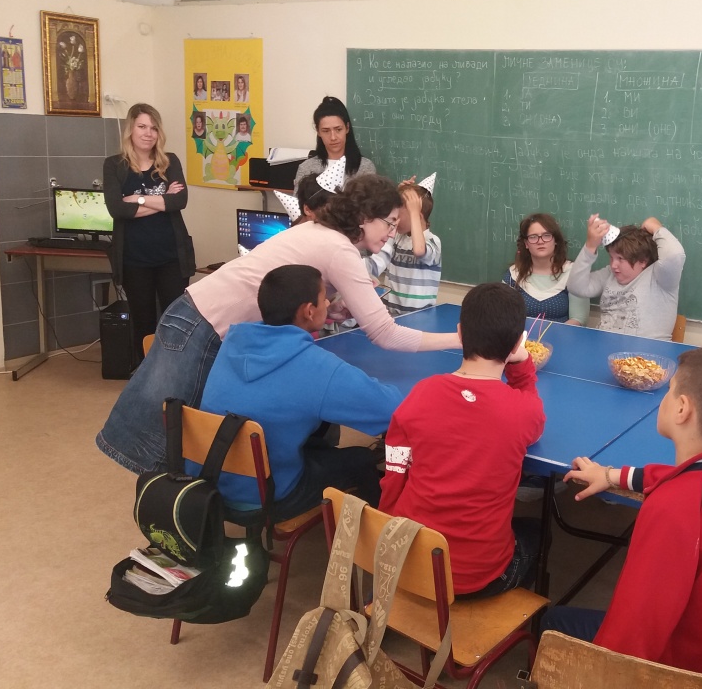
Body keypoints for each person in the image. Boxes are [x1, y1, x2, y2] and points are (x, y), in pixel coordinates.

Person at [96, 174, 461, 476]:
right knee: (168, 435)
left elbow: (295, 297)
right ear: (366, 216)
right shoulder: (340, 249)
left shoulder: (320, 230)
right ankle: (171, 512)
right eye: (390, 223)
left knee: (181, 428)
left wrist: (331, 311)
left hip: (195, 311)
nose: (392, 232)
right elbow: (384, 333)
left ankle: (184, 502)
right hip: (204, 323)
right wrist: (460, 339)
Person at [541, 346, 702, 689]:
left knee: (551, 621)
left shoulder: (671, 510)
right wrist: (612, 475)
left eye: (669, 390)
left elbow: (632, 632)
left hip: (685, 676)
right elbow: (682, 477)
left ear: (682, 409)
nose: (664, 398)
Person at [379, 283, 545, 596]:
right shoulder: (525, 411)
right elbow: (533, 414)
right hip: (479, 579)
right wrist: (522, 365)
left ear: (459, 333)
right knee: (538, 531)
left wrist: (388, 530)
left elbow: (395, 472)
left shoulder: (420, 394)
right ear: (516, 345)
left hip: (408, 560)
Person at [197, 265, 401, 518]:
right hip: (268, 494)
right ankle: (377, 533)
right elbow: (392, 410)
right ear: (308, 310)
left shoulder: (233, 342)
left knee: (314, 431)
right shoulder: (316, 367)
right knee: (362, 459)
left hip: (211, 481)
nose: (328, 303)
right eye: (324, 298)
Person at [102, 103, 195, 364]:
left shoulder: (170, 162)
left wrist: (138, 199)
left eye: (153, 128)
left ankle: (174, 370)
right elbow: (117, 209)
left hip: (171, 257)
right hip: (134, 260)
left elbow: (180, 201)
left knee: (175, 319)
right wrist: (162, 200)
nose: (148, 133)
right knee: (143, 321)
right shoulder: (114, 165)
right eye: (142, 127)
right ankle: (146, 372)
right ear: (130, 130)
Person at [566, 214, 686, 340]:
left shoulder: (660, 277)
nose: (613, 265)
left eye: (620, 259)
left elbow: (674, 256)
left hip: (646, 350)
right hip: (605, 346)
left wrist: (656, 227)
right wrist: (590, 247)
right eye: (611, 257)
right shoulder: (609, 274)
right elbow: (576, 287)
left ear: (643, 261)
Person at [365, 177, 442, 314]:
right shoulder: (396, 237)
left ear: (417, 217)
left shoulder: (432, 241)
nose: (395, 221)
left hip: (419, 318)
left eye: (398, 216)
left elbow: (419, 251)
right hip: (389, 314)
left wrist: (413, 212)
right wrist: (396, 195)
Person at [502, 213, 589, 326]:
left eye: (546, 235)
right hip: (523, 336)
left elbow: (578, 318)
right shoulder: (513, 275)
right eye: (533, 237)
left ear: (555, 240)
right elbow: (505, 317)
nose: (540, 241)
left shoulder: (574, 273)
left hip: (561, 335)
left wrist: (551, 335)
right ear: (526, 244)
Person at [293, 96, 376, 190]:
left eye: (338, 129)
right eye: (326, 131)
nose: (333, 137)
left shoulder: (365, 168)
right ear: (318, 131)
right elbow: (298, 199)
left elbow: (371, 199)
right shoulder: (306, 169)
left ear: (347, 128)